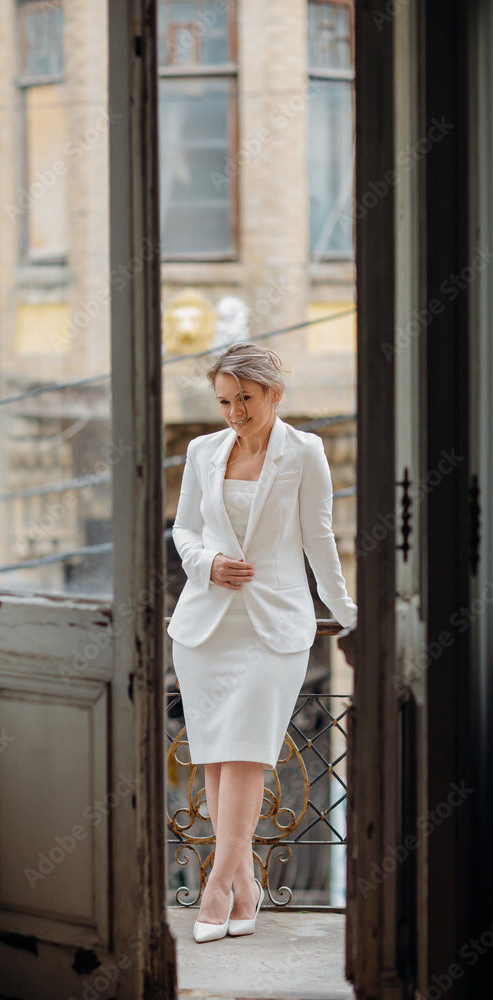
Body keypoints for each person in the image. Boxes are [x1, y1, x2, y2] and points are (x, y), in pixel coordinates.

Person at [167, 342, 357, 943]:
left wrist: (346, 611)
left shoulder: (306, 453)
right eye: (224, 400)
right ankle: (246, 883)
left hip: (274, 627)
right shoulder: (202, 451)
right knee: (218, 756)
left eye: (244, 399)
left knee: (248, 750)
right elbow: (185, 530)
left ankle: (217, 883)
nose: (233, 412)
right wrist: (209, 563)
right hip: (206, 628)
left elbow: (319, 537)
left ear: (274, 394)